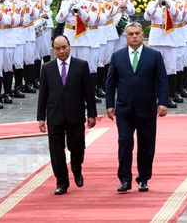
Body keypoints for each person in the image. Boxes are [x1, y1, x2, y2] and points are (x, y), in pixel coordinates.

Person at [105, 21, 169, 193]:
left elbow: (162, 80)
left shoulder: (154, 56)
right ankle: (125, 179)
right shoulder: (117, 56)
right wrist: (109, 104)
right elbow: (110, 82)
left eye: (137, 34)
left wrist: (162, 102)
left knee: (146, 145)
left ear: (142, 35)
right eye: (131, 34)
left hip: (146, 108)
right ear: (125, 37)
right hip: (124, 109)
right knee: (124, 143)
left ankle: (143, 178)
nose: (134, 36)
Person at [37, 35, 97, 195]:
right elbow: (43, 94)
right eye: (57, 49)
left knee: (77, 147)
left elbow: (88, 92)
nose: (61, 51)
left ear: (69, 46)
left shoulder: (81, 66)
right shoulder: (47, 68)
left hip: (75, 114)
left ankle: (77, 169)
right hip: (54, 115)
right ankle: (61, 181)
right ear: (53, 50)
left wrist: (92, 114)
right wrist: (41, 117)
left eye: (64, 47)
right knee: (56, 151)